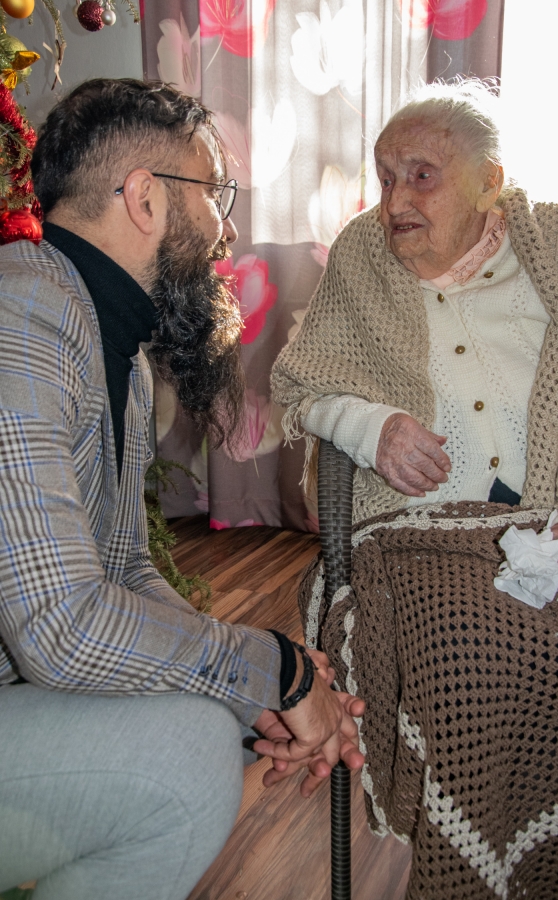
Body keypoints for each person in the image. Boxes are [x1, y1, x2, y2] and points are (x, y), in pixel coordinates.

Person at [0, 78, 364, 900]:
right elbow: (59, 625)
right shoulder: (19, 310)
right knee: (187, 760)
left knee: (218, 725)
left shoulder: (118, 350)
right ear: (145, 198)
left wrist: (259, 692)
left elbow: (127, 569)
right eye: (217, 194)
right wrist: (273, 669)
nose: (228, 230)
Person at [271, 79, 558, 899]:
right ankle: (471, 872)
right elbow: (305, 386)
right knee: (465, 654)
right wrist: (370, 426)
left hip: (554, 520)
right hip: (415, 531)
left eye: (422, 176)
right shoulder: (362, 254)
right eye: (385, 177)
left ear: (491, 182)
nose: (394, 201)